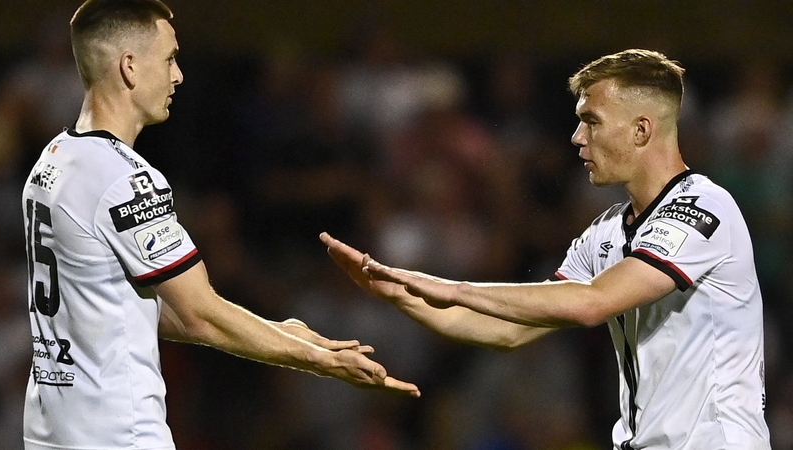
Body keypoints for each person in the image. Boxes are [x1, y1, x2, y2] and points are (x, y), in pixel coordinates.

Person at [321, 49, 772, 449]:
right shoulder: (605, 234)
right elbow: (507, 330)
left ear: (641, 130)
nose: (577, 137)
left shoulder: (704, 208)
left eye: (592, 121)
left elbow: (592, 303)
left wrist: (452, 287)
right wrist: (399, 294)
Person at [21, 1, 419, 449]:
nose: (178, 75)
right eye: (169, 58)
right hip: (119, 436)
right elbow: (200, 315)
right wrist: (316, 358)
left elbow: (113, 307)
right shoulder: (125, 180)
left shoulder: (52, 161)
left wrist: (279, 331)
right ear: (129, 66)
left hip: (50, 434)